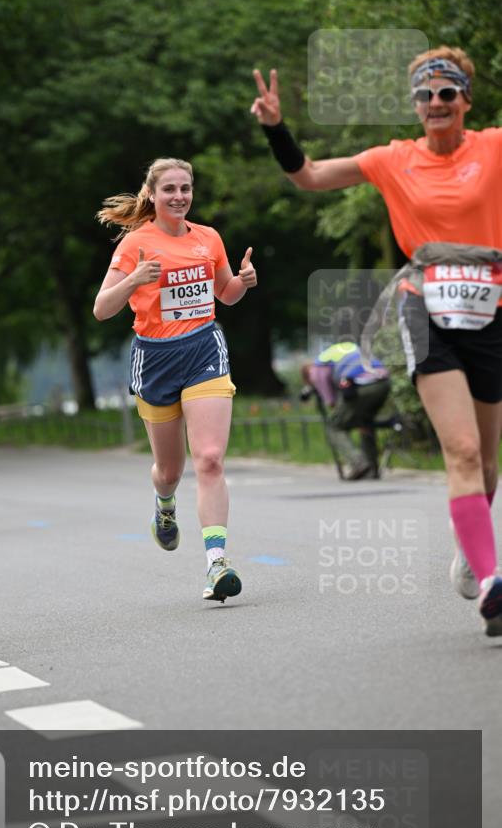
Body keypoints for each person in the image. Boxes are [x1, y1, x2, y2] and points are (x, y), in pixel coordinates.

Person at [252, 47, 502, 637]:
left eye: (447, 93)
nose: (436, 103)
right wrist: (275, 129)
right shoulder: (394, 160)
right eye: (425, 95)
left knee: (488, 461)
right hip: (426, 308)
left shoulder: (493, 147)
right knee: (462, 450)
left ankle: (472, 551)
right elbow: (308, 176)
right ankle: (493, 583)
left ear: (465, 100)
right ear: (414, 105)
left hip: (490, 306)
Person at [93, 158, 257, 602]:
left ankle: (216, 563)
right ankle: (164, 507)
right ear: (153, 195)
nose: (179, 196)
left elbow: (225, 295)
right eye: (170, 189)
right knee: (170, 471)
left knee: (209, 459)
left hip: (205, 349)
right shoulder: (135, 244)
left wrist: (242, 281)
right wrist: (135, 281)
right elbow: (101, 308)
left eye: (186, 188)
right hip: (156, 359)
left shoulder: (209, 238)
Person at [301, 343, 391, 479]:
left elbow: (331, 401)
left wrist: (329, 400)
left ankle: (358, 462)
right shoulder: (342, 350)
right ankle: (372, 469)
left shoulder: (317, 368)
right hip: (383, 381)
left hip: (360, 384)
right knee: (365, 422)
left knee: (334, 426)